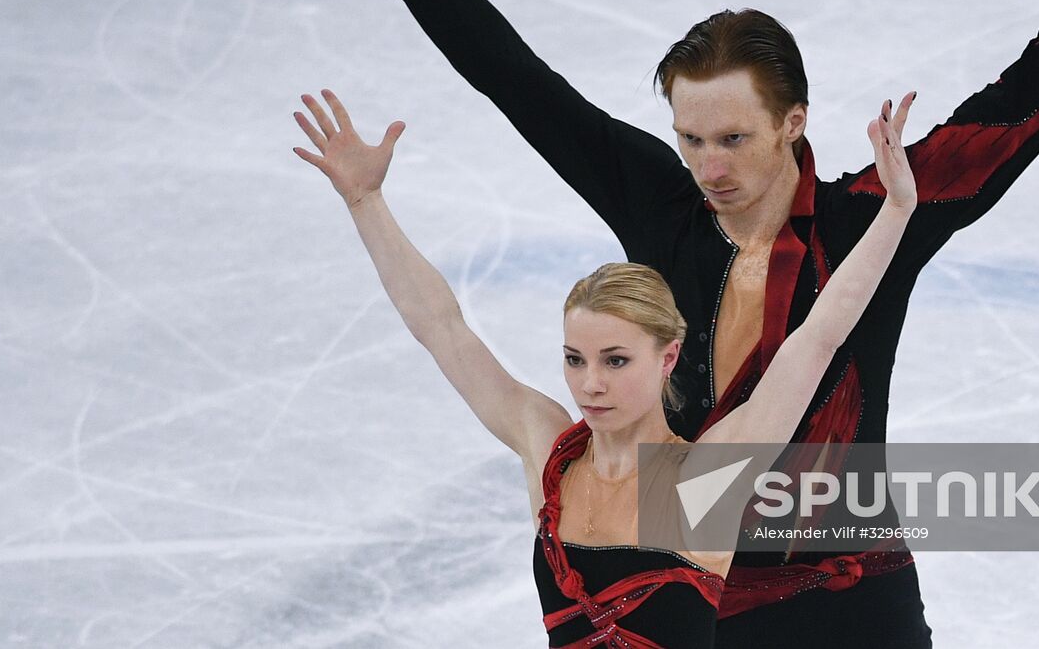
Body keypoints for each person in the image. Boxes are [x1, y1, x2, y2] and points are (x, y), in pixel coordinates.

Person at [277, 0, 1039, 646]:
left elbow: (1011, 116)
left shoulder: (870, 216)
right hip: (701, 597)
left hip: (855, 598)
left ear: (793, 125)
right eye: (690, 138)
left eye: (731, 138)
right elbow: (518, 82)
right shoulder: (659, 202)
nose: (708, 166)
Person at [290, 87, 917, 647]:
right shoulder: (550, 453)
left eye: (616, 361)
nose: (591, 383)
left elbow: (819, 337)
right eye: (575, 359)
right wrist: (366, 202)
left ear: (667, 356)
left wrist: (894, 213)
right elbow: (442, 329)